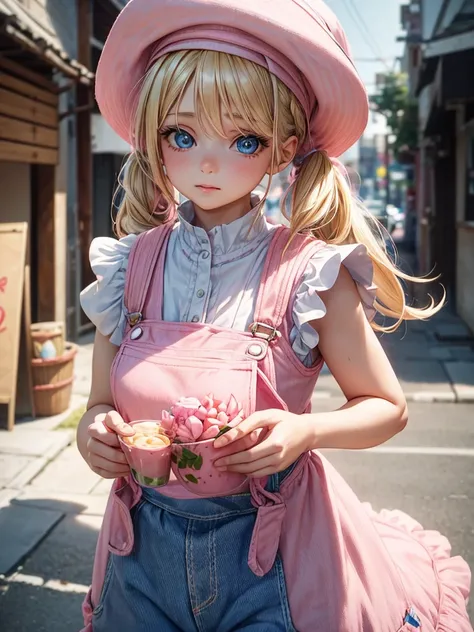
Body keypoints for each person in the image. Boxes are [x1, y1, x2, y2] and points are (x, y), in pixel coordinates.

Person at [78, 1, 472, 630]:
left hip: (281, 554)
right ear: (152, 136)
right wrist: (94, 434)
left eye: (243, 140)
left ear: (283, 149)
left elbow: (387, 407)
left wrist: (305, 434)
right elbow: (99, 404)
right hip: (138, 551)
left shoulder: (309, 272)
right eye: (183, 135)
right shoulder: (128, 268)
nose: (208, 162)